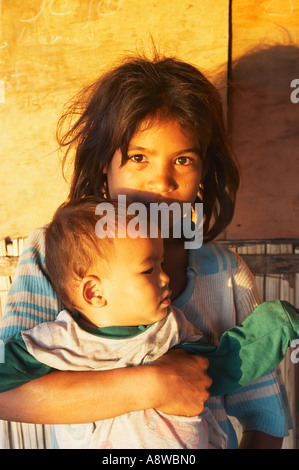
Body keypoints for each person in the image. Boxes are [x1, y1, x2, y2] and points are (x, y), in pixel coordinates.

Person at [0, 53, 292, 448]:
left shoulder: (225, 275)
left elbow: (264, 417)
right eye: (138, 157)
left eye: (183, 160)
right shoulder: (54, 256)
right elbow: (8, 392)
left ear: (204, 170)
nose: (161, 182)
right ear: (105, 162)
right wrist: (151, 385)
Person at [1, 197, 298, 449]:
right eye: (148, 270)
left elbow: (218, 368)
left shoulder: (171, 329)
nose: (164, 276)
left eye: (161, 264)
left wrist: (277, 324)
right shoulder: (60, 342)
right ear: (94, 291)